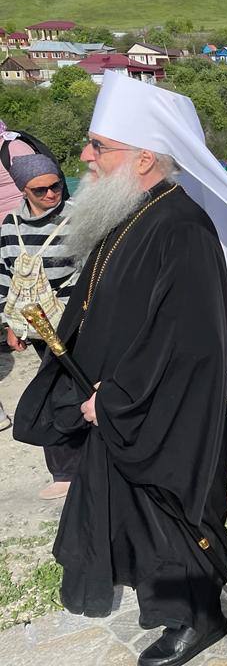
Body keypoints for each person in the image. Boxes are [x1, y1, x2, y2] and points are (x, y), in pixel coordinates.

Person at [13, 71, 227, 666]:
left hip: (167, 413)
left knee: (175, 519)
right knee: (136, 518)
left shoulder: (182, 227)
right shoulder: (132, 211)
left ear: (145, 157)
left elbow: (184, 342)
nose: (85, 158)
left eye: (100, 146)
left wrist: (115, 397)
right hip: (123, 402)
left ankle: (198, 619)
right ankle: (175, 611)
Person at [0, 153, 81, 499]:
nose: (52, 194)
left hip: (76, 316)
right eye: (41, 189)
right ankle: (63, 470)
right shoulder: (9, 225)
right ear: (23, 190)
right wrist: (9, 324)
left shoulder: (78, 216)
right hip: (35, 323)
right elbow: (5, 277)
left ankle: (94, 461)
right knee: (53, 387)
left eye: (56, 184)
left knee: (82, 385)